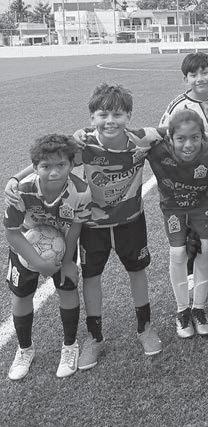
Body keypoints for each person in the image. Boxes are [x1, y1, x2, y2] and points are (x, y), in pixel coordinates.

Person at [6, 84, 164, 369]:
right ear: (92, 118)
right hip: (92, 224)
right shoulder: (84, 145)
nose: (110, 121)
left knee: (137, 272)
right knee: (92, 277)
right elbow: (49, 161)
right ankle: (95, 337)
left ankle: (145, 328)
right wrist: (16, 179)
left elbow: (175, 129)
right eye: (103, 115)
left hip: (131, 221)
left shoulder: (144, 139)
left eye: (117, 114)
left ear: (129, 116)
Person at [5, 134, 91, 380]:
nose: (54, 172)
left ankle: (70, 345)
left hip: (62, 244)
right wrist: (40, 263)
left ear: (72, 164)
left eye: (61, 165)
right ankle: (25, 349)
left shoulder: (80, 191)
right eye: (45, 166)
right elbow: (12, 233)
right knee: (21, 295)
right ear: (34, 167)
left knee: (68, 288)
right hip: (25, 244)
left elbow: (75, 227)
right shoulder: (21, 190)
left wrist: (67, 262)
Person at [148, 110, 208, 338]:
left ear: (203, 136)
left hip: (202, 207)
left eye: (195, 137)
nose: (188, 145)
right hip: (173, 208)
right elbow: (126, 135)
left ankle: (199, 309)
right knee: (178, 253)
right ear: (170, 138)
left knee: (205, 250)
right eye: (181, 139)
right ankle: (182, 310)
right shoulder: (157, 150)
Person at [159, 52, 208, 290]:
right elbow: (165, 132)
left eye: (205, 72)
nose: (200, 78)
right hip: (188, 171)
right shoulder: (179, 105)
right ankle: (190, 272)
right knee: (189, 221)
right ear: (185, 79)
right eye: (193, 75)